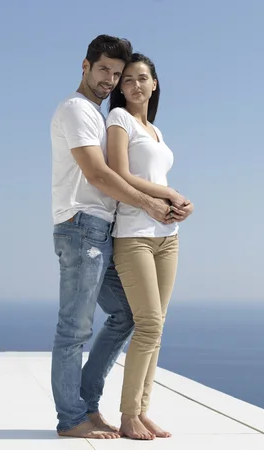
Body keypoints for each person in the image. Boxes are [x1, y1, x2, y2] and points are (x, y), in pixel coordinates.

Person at [49, 36, 173, 439]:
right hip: (81, 225)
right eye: (105, 70)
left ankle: (87, 406)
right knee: (74, 329)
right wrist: (151, 203)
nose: (111, 79)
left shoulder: (100, 116)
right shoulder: (77, 110)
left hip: (102, 228)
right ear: (85, 66)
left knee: (128, 316)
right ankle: (72, 419)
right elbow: (100, 175)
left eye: (116, 73)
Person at [106, 53, 194, 440]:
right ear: (121, 88)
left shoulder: (156, 131)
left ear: (154, 83)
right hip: (134, 235)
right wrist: (172, 193)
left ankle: (142, 411)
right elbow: (120, 173)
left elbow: (152, 174)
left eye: (142, 78)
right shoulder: (119, 120)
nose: (135, 85)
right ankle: (128, 415)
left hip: (167, 239)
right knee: (149, 324)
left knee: (158, 328)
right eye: (128, 80)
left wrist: (179, 207)